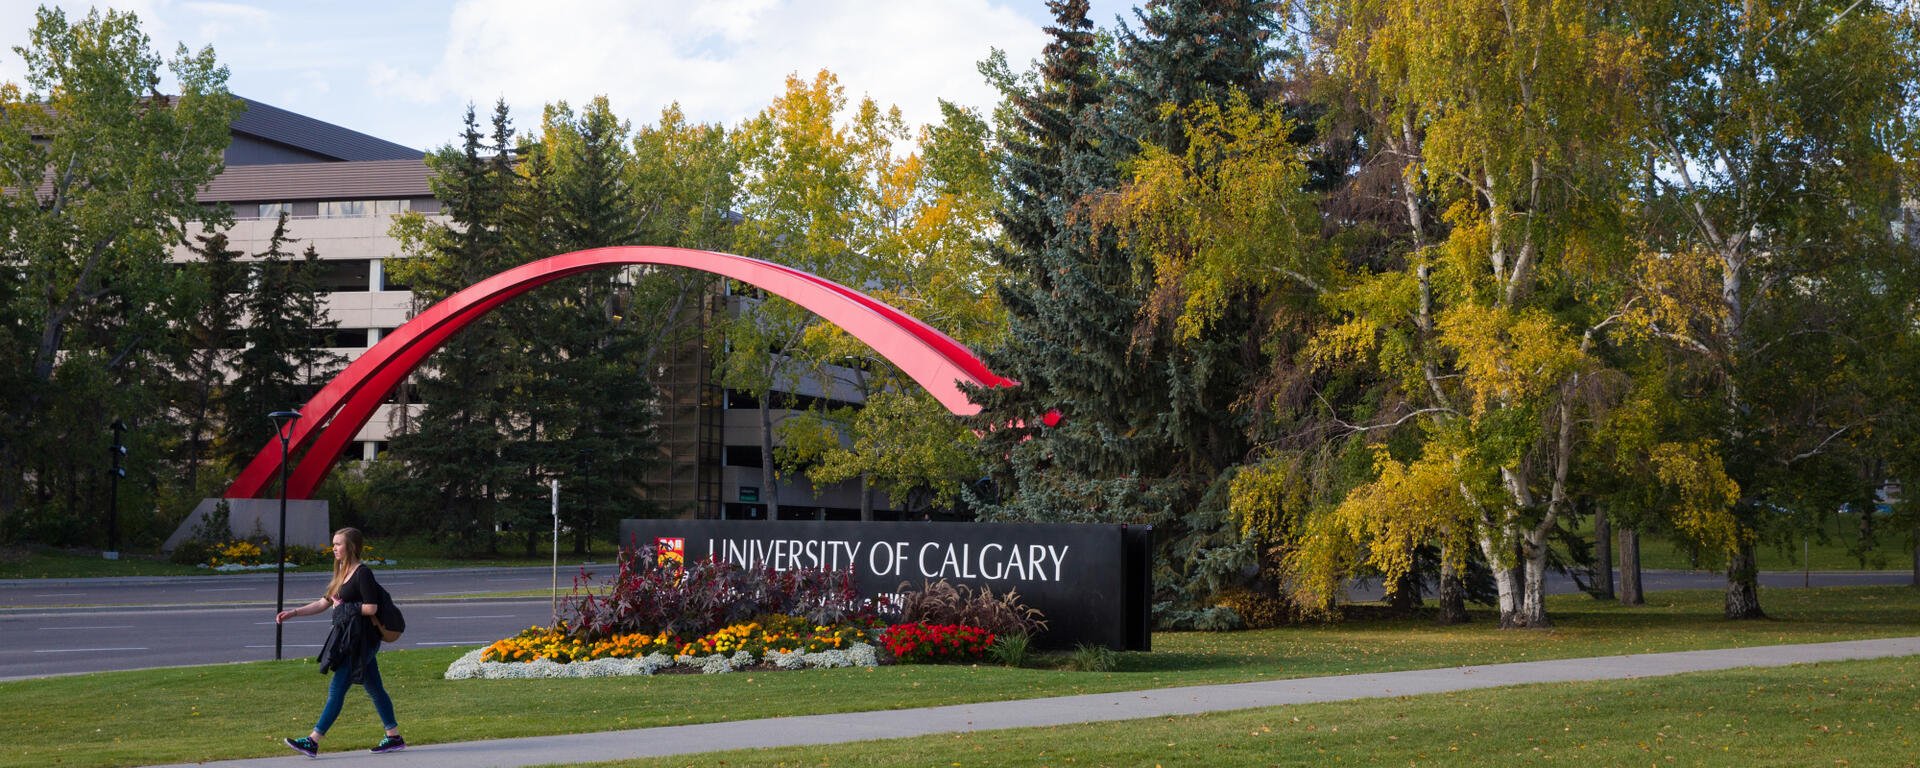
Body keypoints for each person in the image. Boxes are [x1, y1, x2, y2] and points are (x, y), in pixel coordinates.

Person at [276, 527, 405, 756]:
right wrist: (293, 613)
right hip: (351, 638)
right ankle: (394, 737)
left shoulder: (362, 573)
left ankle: (313, 741)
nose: (333, 548)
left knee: (337, 688)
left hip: (362, 641)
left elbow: (371, 607)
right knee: (374, 688)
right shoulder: (342, 572)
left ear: (351, 547)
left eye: (338, 544)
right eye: (333, 544)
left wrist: (345, 607)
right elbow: (324, 603)